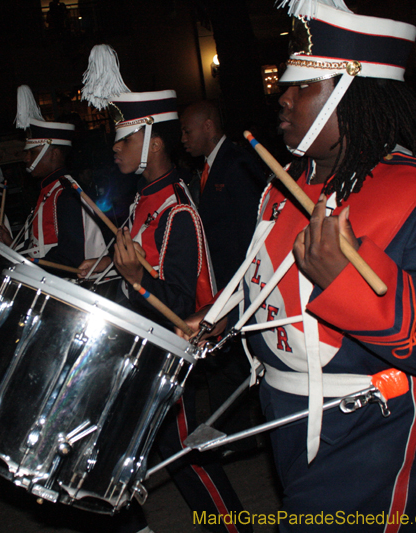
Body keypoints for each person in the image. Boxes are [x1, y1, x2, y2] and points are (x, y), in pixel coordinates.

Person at [184, 2, 416, 530]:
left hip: (376, 426)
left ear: (351, 97)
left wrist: (350, 284)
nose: (282, 98)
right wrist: (221, 316)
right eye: (286, 85)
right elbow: (271, 288)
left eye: (302, 87)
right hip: (286, 418)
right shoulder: (280, 189)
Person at [78, 44, 251, 533]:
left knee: (182, 452)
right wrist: (106, 269)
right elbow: (138, 267)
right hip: (140, 349)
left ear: (152, 141)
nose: (115, 147)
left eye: (124, 138)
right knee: (126, 446)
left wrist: (133, 279)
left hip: (170, 353)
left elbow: (177, 301)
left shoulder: (177, 211)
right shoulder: (143, 201)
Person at [180, 101, 266, 450]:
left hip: (241, 284)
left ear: (209, 126)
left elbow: (251, 232)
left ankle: (237, 439)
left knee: (240, 362)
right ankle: (234, 438)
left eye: (188, 130)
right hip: (224, 285)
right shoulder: (210, 168)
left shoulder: (237, 163)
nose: (182, 139)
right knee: (226, 364)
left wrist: (238, 291)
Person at [0, 85, 105, 271]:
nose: (26, 158)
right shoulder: (49, 191)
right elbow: (40, 248)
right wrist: (11, 243)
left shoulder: (67, 195)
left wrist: (25, 264)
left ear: (54, 154)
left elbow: (70, 259)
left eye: (32, 152)